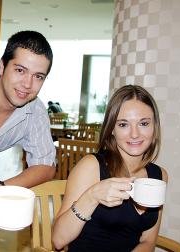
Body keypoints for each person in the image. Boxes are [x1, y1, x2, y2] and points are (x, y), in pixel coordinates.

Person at [52, 85, 167, 251]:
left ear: (154, 126)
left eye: (143, 123)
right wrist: (92, 196)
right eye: (123, 125)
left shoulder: (159, 176)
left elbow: (148, 242)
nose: (134, 134)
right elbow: (58, 240)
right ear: (112, 129)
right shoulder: (91, 167)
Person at [0, 30, 56, 251]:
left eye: (38, 76)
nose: (27, 84)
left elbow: (45, 166)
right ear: (2, 67)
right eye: (20, 70)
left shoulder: (35, 111)